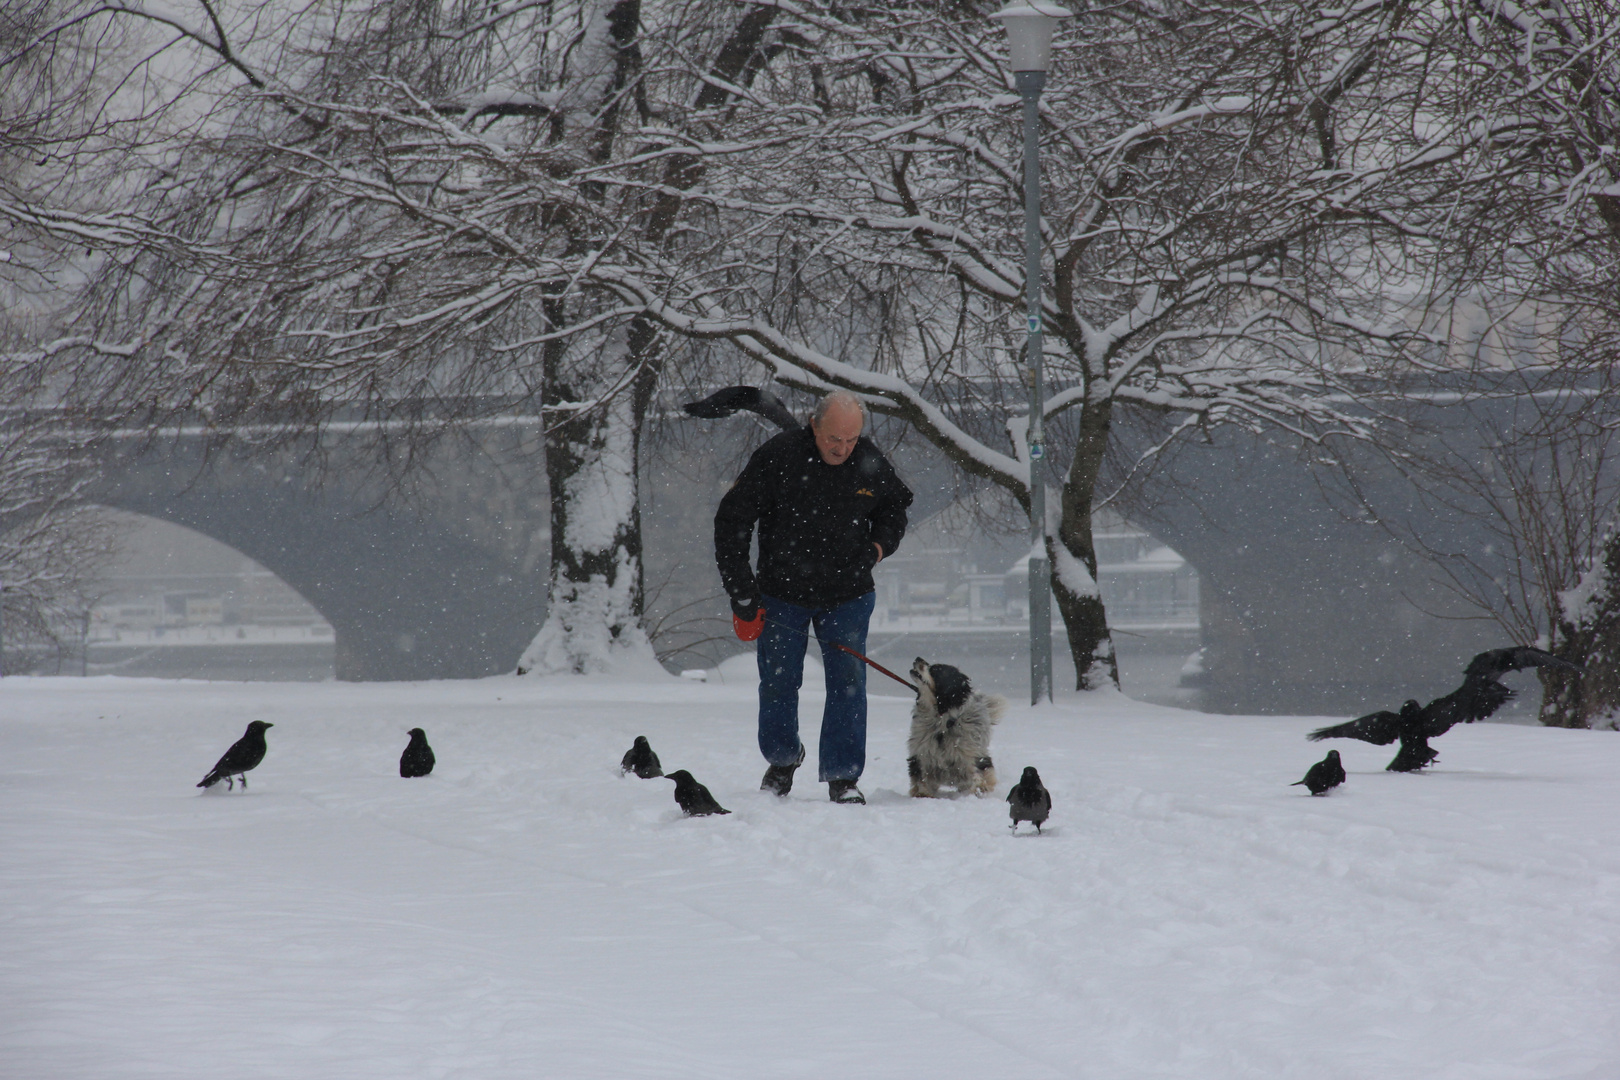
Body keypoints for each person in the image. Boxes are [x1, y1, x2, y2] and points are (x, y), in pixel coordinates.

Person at [714, 390, 914, 804]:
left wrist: (878, 548)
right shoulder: (778, 458)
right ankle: (783, 759)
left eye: (851, 440)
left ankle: (843, 776)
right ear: (814, 426)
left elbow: (895, 506)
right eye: (834, 439)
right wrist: (742, 592)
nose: (842, 449)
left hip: (848, 595)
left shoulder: (868, 462)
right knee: (779, 682)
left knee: (848, 683)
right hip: (782, 594)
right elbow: (732, 520)